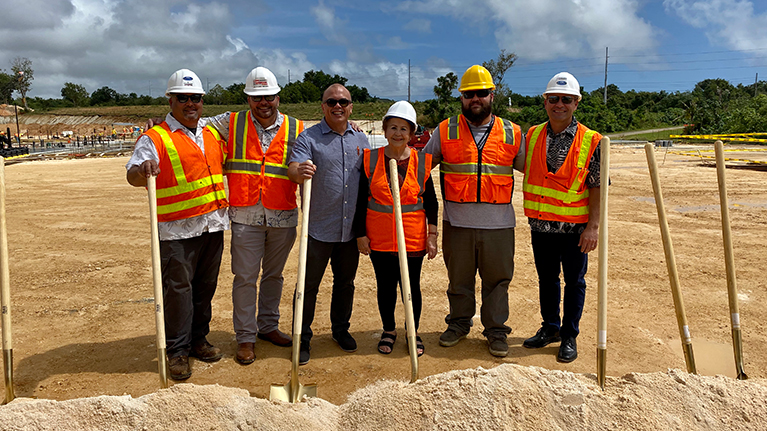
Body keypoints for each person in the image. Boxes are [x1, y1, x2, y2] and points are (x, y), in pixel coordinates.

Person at [126, 69, 229, 380]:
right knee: (178, 291)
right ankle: (178, 351)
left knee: (204, 289)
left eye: (195, 98)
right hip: (176, 231)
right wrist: (143, 170)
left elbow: (251, 114)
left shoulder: (210, 132)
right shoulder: (154, 137)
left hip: (212, 225)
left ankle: (199, 339)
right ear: (170, 100)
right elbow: (131, 174)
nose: (190, 103)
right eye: (182, 98)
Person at [203, 67, 303, 365]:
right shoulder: (229, 123)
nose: (264, 103)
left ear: (278, 97)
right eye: (257, 97)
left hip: (282, 216)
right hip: (245, 215)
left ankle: (268, 326)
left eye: (269, 97)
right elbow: (191, 124)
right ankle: (245, 337)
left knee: (274, 275)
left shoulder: (297, 128)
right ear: (248, 98)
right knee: (245, 277)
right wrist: (161, 123)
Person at [422, 65, 524, 358]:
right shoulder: (446, 130)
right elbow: (418, 167)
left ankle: (495, 331)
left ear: (493, 94)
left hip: (499, 225)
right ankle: (458, 324)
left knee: (497, 282)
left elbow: (538, 169)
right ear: (462, 97)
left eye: (481, 93)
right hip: (458, 224)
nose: (475, 99)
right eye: (469, 94)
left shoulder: (511, 132)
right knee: (459, 280)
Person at [521, 72, 603, 363]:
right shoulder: (531, 135)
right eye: (553, 99)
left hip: (575, 228)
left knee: (574, 282)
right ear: (545, 102)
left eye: (566, 100)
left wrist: (593, 227)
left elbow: (596, 186)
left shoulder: (592, 140)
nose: (559, 105)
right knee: (547, 280)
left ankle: (569, 335)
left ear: (576, 103)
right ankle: (550, 328)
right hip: (541, 225)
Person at [288, 84, 370, 365]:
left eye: (343, 102)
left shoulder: (362, 140)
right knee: (308, 285)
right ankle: (302, 336)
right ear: (322, 106)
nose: (338, 106)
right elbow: (293, 170)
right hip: (319, 229)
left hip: (349, 231)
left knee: (345, 283)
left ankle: (340, 330)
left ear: (350, 106)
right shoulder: (308, 138)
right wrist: (299, 171)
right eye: (332, 101)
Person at [353, 101, 438, 357]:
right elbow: (360, 200)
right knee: (386, 287)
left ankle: (413, 330)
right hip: (379, 239)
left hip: (412, 240)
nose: (398, 133)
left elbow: (432, 203)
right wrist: (360, 234)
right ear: (385, 130)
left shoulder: (422, 162)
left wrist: (432, 236)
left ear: (412, 134)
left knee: (411, 286)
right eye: (393, 128)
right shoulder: (371, 160)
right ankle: (388, 330)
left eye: (403, 128)